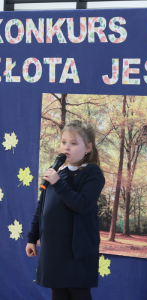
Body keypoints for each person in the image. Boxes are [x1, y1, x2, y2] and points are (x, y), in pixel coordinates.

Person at [25, 120, 105, 300]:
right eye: (63, 142)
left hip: (77, 251)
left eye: (74, 143)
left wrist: (58, 183)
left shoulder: (92, 173)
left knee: (78, 293)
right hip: (54, 250)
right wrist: (32, 238)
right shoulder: (57, 174)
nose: (66, 147)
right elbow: (41, 208)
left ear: (88, 147)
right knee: (58, 293)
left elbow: (82, 205)